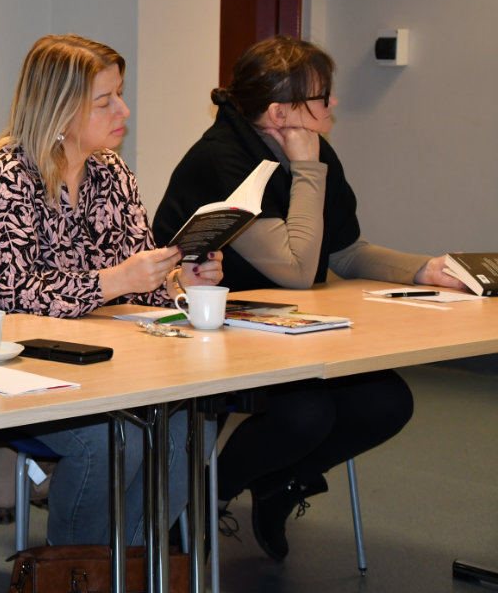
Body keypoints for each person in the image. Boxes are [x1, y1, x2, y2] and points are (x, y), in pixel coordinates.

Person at [151, 34, 465, 561]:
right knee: (305, 414)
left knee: (387, 402)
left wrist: (424, 269)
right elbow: (297, 269)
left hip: (285, 329)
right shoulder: (223, 160)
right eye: (321, 97)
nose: (333, 103)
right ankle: (206, 498)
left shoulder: (312, 149)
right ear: (280, 113)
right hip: (209, 331)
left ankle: (281, 483)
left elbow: (345, 251)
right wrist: (307, 170)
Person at [0, 33, 223, 547]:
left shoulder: (111, 172)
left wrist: (178, 282)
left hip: (96, 359)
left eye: (120, 94)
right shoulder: (6, 174)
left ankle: (125, 567)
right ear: (59, 108)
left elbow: (139, 284)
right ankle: (75, 573)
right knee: (110, 441)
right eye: (105, 100)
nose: (124, 110)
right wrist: (119, 280)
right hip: (10, 366)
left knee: (192, 429)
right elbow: (17, 297)